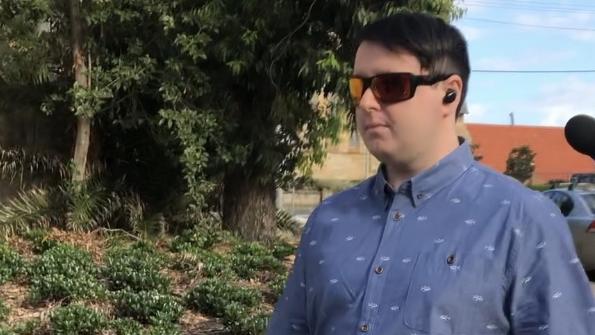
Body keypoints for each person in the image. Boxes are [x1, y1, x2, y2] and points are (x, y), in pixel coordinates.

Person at [266, 11, 595, 335]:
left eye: (390, 85)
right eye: (358, 87)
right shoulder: (329, 220)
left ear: (449, 94)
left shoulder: (522, 220)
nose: (366, 103)